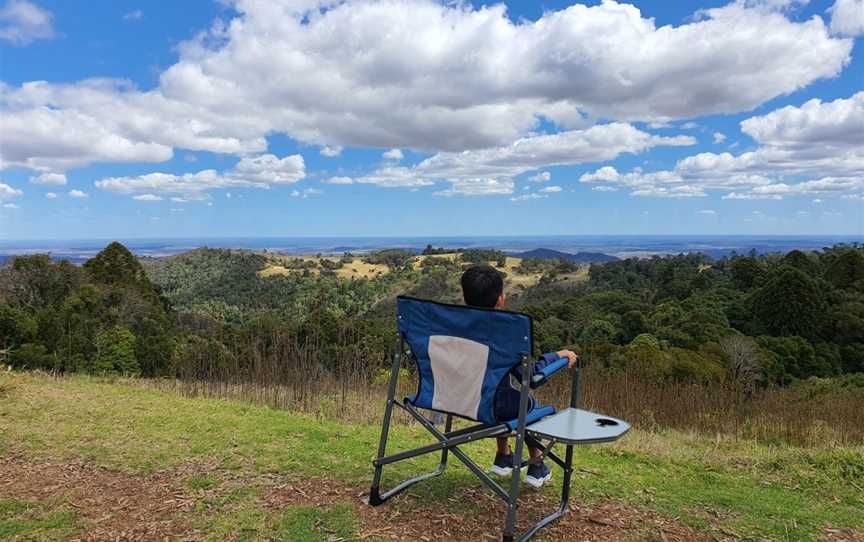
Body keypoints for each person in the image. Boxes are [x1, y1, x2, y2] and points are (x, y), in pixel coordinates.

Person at [460, 264, 578, 488]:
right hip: (490, 404)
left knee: (504, 393)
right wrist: (558, 355)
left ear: (465, 297)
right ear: (501, 300)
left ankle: (504, 456)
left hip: (456, 399)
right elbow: (531, 377)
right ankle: (537, 464)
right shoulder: (505, 334)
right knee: (526, 404)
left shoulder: (452, 325)